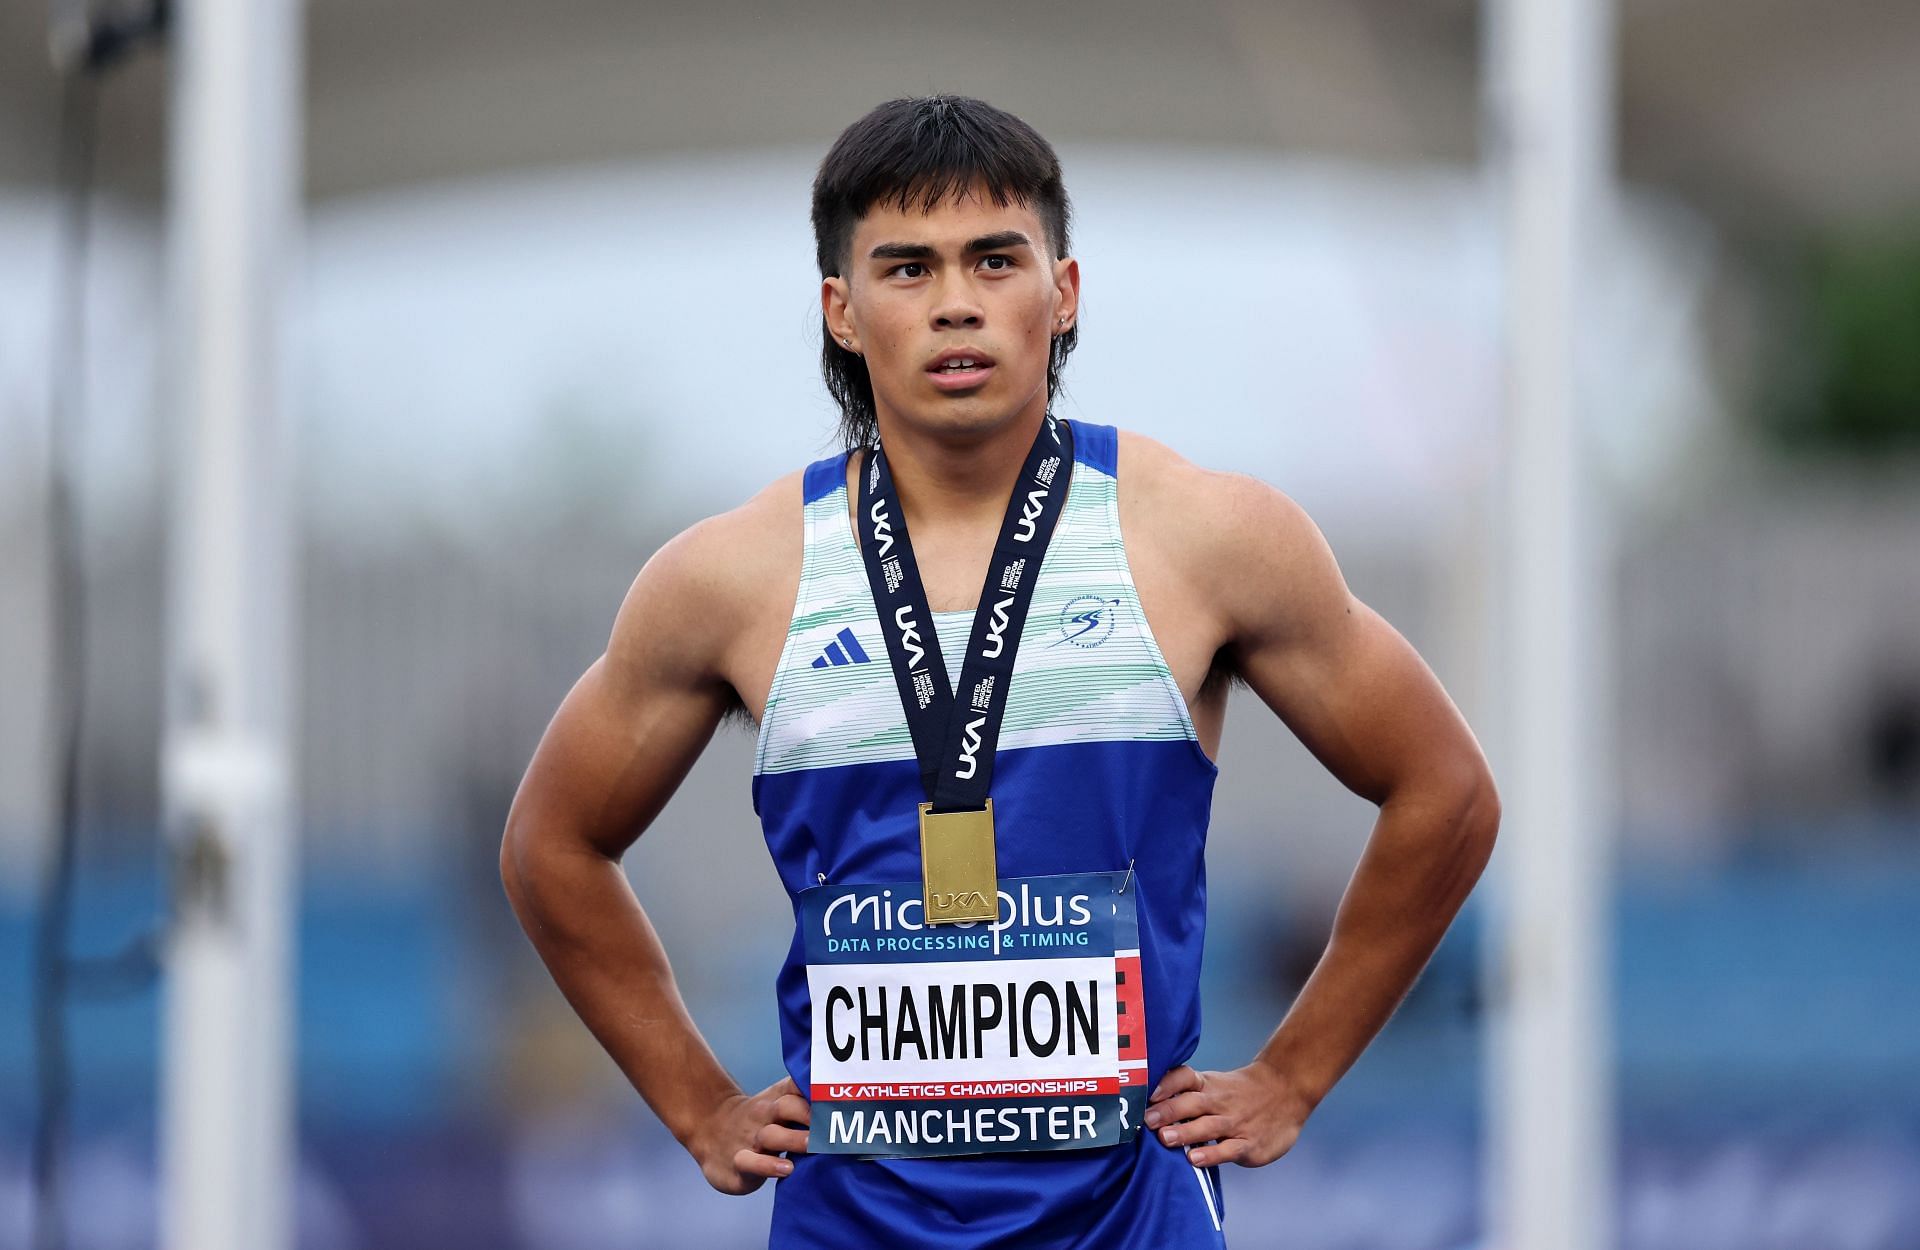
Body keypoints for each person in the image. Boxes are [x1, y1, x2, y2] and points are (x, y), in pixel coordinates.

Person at [500, 94, 1500, 1249]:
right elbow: (551, 843)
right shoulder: (730, 578)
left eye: (994, 258)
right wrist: (696, 1102)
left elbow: (1448, 791)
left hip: (1127, 1218)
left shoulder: (1207, 539)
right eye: (908, 268)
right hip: (853, 1221)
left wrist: (1295, 1073)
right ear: (842, 309)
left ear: (1062, 291)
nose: (958, 303)